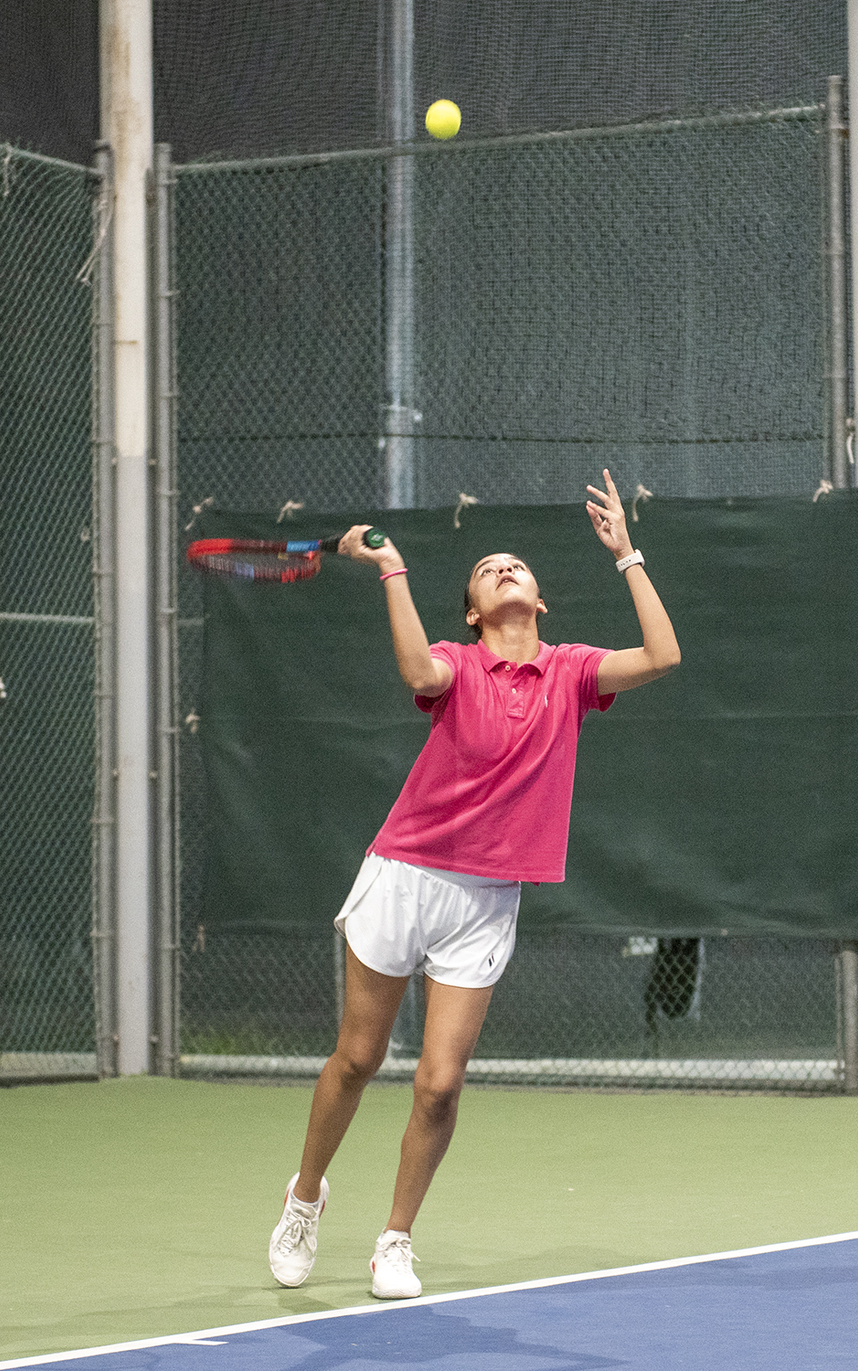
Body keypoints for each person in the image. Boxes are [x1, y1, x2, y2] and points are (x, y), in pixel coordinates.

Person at [267, 469, 681, 1299]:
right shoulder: (457, 662)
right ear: (471, 610)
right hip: (405, 872)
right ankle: (305, 1197)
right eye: (488, 569)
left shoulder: (571, 672)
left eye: (515, 565)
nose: (503, 568)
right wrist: (391, 567)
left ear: (538, 599)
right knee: (357, 1057)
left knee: (441, 1080)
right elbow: (419, 671)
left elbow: (664, 655)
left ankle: (394, 1239)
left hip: (486, 898)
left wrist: (627, 553)